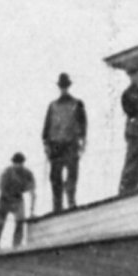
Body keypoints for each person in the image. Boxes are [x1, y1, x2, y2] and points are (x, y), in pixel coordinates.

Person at [40, 72, 87, 212]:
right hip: (55, 145)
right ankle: (57, 206)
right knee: (55, 177)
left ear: (68, 87)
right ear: (59, 88)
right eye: (62, 86)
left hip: (71, 143)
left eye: (65, 86)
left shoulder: (77, 104)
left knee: (72, 174)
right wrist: (46, 144)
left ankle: (71, 202)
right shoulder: (53, 106)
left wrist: (83, 140)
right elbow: (46, 127)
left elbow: (83, 124)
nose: (63, 89)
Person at [0, 152, 36, 248]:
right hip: (4, 198)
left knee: (20, 220)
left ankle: (16, 244)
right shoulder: (7, 172)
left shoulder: (27, 174)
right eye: (16, 163)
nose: (18, 165)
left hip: (17, 198)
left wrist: (32, 210)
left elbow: (32, 193)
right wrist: (9, 199)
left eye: (20, 163)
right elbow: (1, 187)